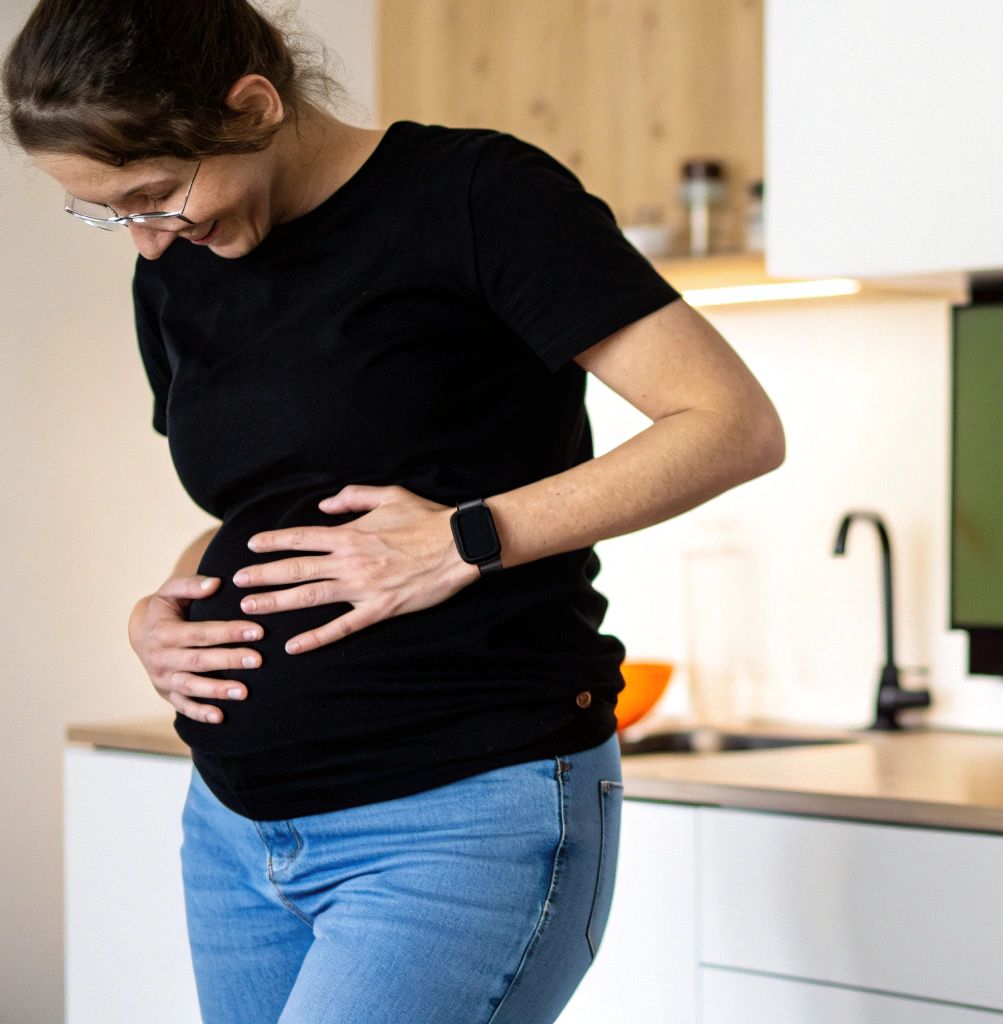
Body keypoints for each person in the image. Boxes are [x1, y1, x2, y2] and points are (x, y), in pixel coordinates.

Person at [3, 1, 785, 1021]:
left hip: (458, 811)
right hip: (237, 829)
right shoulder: (181, 272)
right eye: (111, 213)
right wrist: (166, 603)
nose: (148, 244)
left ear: (251, 104)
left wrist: (464, 538)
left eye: (155, 196)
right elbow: (271, 509)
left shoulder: (476, 196)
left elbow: (730, 423)